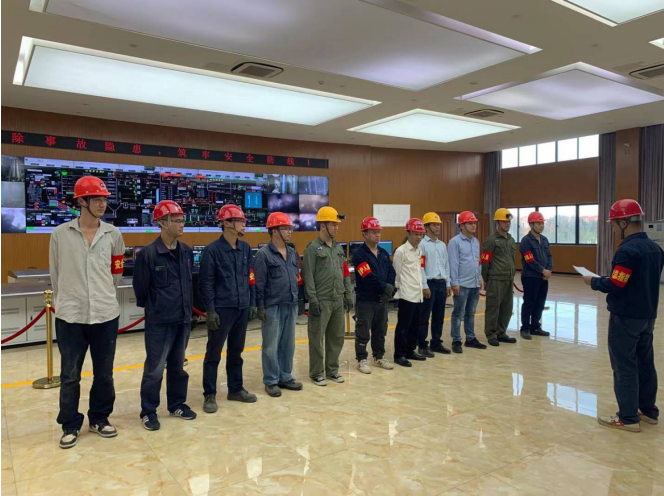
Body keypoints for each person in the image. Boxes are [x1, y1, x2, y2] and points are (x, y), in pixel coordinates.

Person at [49, 176, 125, 449]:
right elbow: (56, 274)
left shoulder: (114, 235)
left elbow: (116, 273)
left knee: (104, 373)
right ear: (81, 201)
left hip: (105, 314)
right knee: (70, 375)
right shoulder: (60, 235)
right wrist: (68, 299)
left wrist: (102, 294)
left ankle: (99, 418)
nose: (103, 204)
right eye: (97, 199)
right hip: (71, 316)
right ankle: (70, 424)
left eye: (104, 199)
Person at [583, 199, 663, 432]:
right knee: (645, 363)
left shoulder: (627, 250)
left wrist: (593, 281)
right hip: (647, 315)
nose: (613, 228)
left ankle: (628, 418)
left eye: (614, 224)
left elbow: (617, 283)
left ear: (624, 223)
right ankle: (648, 411)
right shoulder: (655, 248)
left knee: (624, 365)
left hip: (626, 316)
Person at [133, 200, 196, 431]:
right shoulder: (148, 254)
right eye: (177, 221)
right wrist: (157, 307)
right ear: (162, 223)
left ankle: (177, 404)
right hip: (159, 322)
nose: (182, 224)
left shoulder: (186, 251)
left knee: (178, 366)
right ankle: (148, 411)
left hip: (183, 319)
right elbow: (141, 290)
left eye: (182, 220)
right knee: (155, 369)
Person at [199, 204, 258, 413]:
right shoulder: (212, 251)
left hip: (241, 307)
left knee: (236, 351)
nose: (243, 224)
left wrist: (252, 303)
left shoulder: (246, 249)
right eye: (239, 220)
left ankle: (235, 389)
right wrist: (210, 310)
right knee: (213, 353)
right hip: (222, 309)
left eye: (243, 220)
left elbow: (250, 277)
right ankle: (209, 394)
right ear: (226, 223)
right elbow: (206, 283)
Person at [254, 212, 304, 397]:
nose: (290, 231)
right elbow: (259, 285)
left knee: (288, 344)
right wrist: (260, 307)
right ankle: (271, 380)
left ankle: (285, 376)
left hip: (290, 304)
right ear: (274, 231)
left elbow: (296, 276)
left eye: (290, 228)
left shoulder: (292, 253)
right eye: (285, 228)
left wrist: (299, 299)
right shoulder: (263, 255)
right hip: (272, 306)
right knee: (270, 345)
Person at [302, 206, 353, 386]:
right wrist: (313, 300)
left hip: (338, 299)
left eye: (337, 224)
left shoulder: (338, 248)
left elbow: (345, 272)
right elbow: (308, 275)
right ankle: (316, 373)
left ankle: (332, 370)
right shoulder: (312, 249)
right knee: (317, 338)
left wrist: (348, 294)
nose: (336, 227)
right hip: (321, 301)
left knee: (336, 337)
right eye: (333, 224)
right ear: (322, 225)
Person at [352, 217, 396, 373]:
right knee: (363, 330)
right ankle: (361, 360)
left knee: (380, 329)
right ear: (364, 234)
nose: (378, 234)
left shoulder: (383, 253)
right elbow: (367, 276)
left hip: (382, 300)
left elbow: (391, 271)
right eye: (373, 232)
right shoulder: (359, 254)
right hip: (366, 299)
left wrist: (390, 288)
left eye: (379, 232)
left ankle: (379, 357)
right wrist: (385, 287)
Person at [448, 211, 487, 352]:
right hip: (462, 284)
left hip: (474, 283)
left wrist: (480, 278)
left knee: (471, 312)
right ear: (462, 225)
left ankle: (470, 338)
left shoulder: (476, 242)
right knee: (458, 313)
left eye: (474, 223)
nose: (473, 225)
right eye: (470, 223)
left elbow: (478, 261)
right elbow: (453, 263)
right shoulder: (455, 242)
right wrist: (454, 283)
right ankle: (456, 340)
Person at [417, 212, 452, 357]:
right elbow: (420, 267)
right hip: (429, 284)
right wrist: (425, 285)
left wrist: (448, 283)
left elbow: (446, 265)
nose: (437, 227)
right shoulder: (422, 245)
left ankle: (436, 343)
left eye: (438, 225)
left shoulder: (442, 245)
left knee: (439, 316)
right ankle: (422, 345)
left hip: (441, 283)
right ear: (426, 227)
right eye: (434, 224)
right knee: (424, 317)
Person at [393, 218, 426, 367]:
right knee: (403, 327)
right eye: (416, 234)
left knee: (415, 325)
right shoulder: (401, 251)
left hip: (417, 294)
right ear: (408, 233)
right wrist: (398, 290)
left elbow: (419, 271)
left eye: (421, 234)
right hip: (406, 294)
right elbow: (396, 273)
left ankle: (410, 350)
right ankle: (399, 354)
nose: (419, 237)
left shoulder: (419, 250)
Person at [481, 208, 518, 347]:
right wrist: (486, 279)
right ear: (497, 222)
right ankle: (491, 334)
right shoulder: (491, 241)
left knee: (506, 309)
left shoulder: (511, 240)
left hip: (508, 278)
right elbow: (485, 261)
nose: (507, 224)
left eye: (509, 221)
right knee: (493, 308)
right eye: (504, 221)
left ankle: (501, 333)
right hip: (495, 279)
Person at [519, 211, 553, 341]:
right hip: (530, 277)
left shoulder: (544, 240)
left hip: (543, 277)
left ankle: (535, 326)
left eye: (542, 223)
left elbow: (549, 256)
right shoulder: (526, 241)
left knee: (540, 302)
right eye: (538, 223)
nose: (541, 226)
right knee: (529, 302)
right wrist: (542, 270)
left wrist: (548, 270)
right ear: (531, 224)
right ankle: (525, 328)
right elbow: (530, 260)